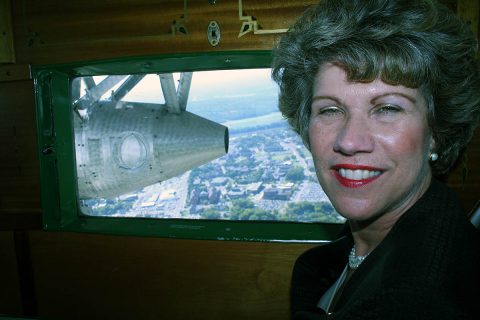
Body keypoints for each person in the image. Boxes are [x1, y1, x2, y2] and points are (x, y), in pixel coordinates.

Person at [271, 0, 480, 319]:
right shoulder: (355, 249)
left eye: (388, 109)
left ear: (436, 131)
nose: (350, 141)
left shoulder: (421, 301)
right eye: (330, 110)